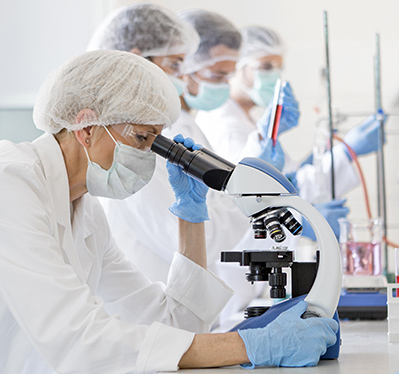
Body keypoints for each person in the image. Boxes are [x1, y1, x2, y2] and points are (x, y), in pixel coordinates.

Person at [0, 50, 337, 372]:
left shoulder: (82, 211)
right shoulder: (2, 189)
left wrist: (191, 215)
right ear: (87, 127)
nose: (149, 157)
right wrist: (249, 346)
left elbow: (173, 323)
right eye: (144, 139)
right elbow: (79, 341)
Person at [92, 7, 283, 330]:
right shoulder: (134, 146)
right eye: (177, 64)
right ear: (138, 60)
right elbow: (197, 242)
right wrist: (245, 198)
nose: (183, 74)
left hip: (174, 321)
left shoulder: (175, 130)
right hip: (150, 323)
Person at [196, 25, 385, 239]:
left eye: (278, 67)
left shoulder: (248, 120)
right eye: (266, 66)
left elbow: (287, 181)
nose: (274, 75)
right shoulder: (227, 127)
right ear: (237, 66)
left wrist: (324, 153)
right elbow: (248, 203)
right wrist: (305, 222)